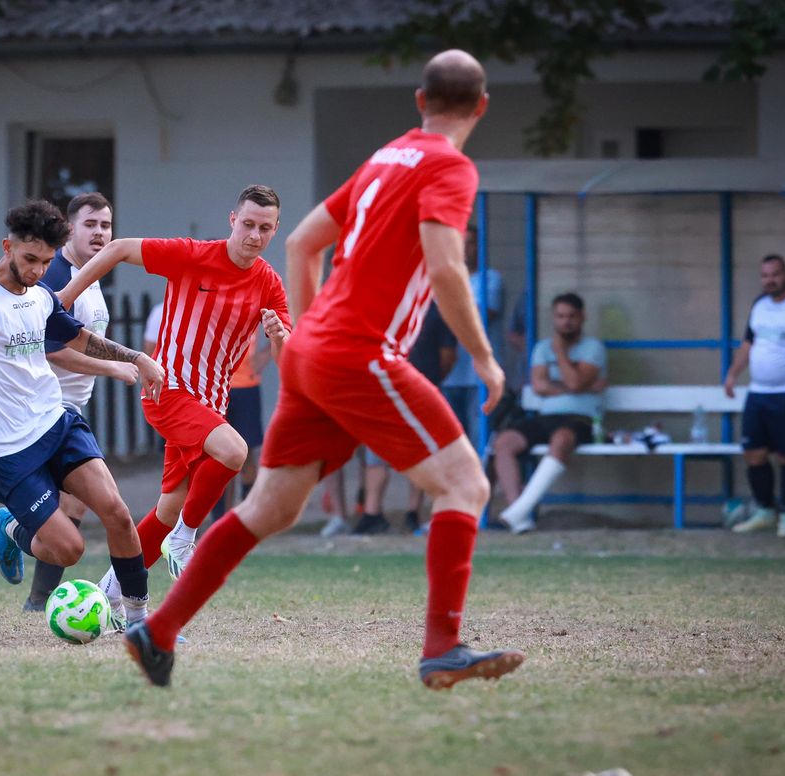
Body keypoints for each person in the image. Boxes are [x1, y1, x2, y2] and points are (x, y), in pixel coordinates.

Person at [122, 50, 524, 690]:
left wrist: (308, 339)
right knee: (467, 487)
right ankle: (442, 646)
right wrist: (482, 355)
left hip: (314, 353)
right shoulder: (452, 167)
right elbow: (447, 267)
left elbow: (302, 242)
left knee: (272, 507)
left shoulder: (385, 158)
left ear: (420, 102)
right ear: (479, 108)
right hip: (361, 352)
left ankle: (158, 630)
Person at [0, 200, 164, 631]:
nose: (36, 270)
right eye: (30, 259)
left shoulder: (41, 294)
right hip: (6, 448)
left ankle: (140, 622)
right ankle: (12, 527)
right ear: (7, 246)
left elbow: (78, 337)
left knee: (118, 514)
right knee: (69, 550)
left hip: (57, 421)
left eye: (46, 262)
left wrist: (137, 357)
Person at [55, 185, 291, 607]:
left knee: (166, 510)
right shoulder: (193, 254)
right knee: (235, 452)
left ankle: (108, 594)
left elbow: (287, 357)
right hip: (168, 388)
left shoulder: (270, 283)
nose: (254, 235)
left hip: (210, 403)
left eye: (265, 228)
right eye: (248, 224)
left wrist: (279, 338)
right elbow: (121, 248)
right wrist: (63, 299)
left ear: (275, 230)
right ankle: (186, 537)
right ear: (233, 221)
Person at [493, 293, 607, 534]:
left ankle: (519, 510)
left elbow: (575, 383)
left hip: (581, 419)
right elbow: (539, 385)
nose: (565, 322)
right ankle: (519, 514)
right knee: (504, 442)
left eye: (571, 316)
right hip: (545, 417)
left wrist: (561, 354)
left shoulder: (593, 348)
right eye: (560, 316)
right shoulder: (542, 347)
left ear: (582, 317)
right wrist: (574, 386)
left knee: (562, 440)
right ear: (553, 318)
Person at [724, 254, 785, 538]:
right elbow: (749, 343)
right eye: (764, 275)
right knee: (753, 453)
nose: (769, 280)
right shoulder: (759, 306)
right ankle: (765, 511)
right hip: (759, 393)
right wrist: (733, 373)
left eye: (774, 274)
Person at [354, 303, 457, 534]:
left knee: (417, 452)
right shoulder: (381, 310)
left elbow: (448, 355)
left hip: (418, 392)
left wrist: (426, 383)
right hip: (383, 390)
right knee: (377, 452)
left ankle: (412, 512)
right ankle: (372, 514)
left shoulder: (435, 311)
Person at [441, 226, 503, 444]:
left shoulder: (490, 278)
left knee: (480, 440)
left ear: (480, 247)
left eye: (471, 243)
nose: (465, 249)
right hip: (447, 373)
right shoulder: (441, 280)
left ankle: (481, 480)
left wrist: (443, 308)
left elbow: (479, 314)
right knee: (450, 442)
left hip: (479, 375)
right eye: (461, 243)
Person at [211, 327, 271, 521]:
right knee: (221, 456)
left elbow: (284, 321)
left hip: (245, 387)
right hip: (216, 387)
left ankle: (248, 515)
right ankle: (222, 518)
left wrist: (266, 353)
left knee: (247, 455)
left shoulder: (254, 301)